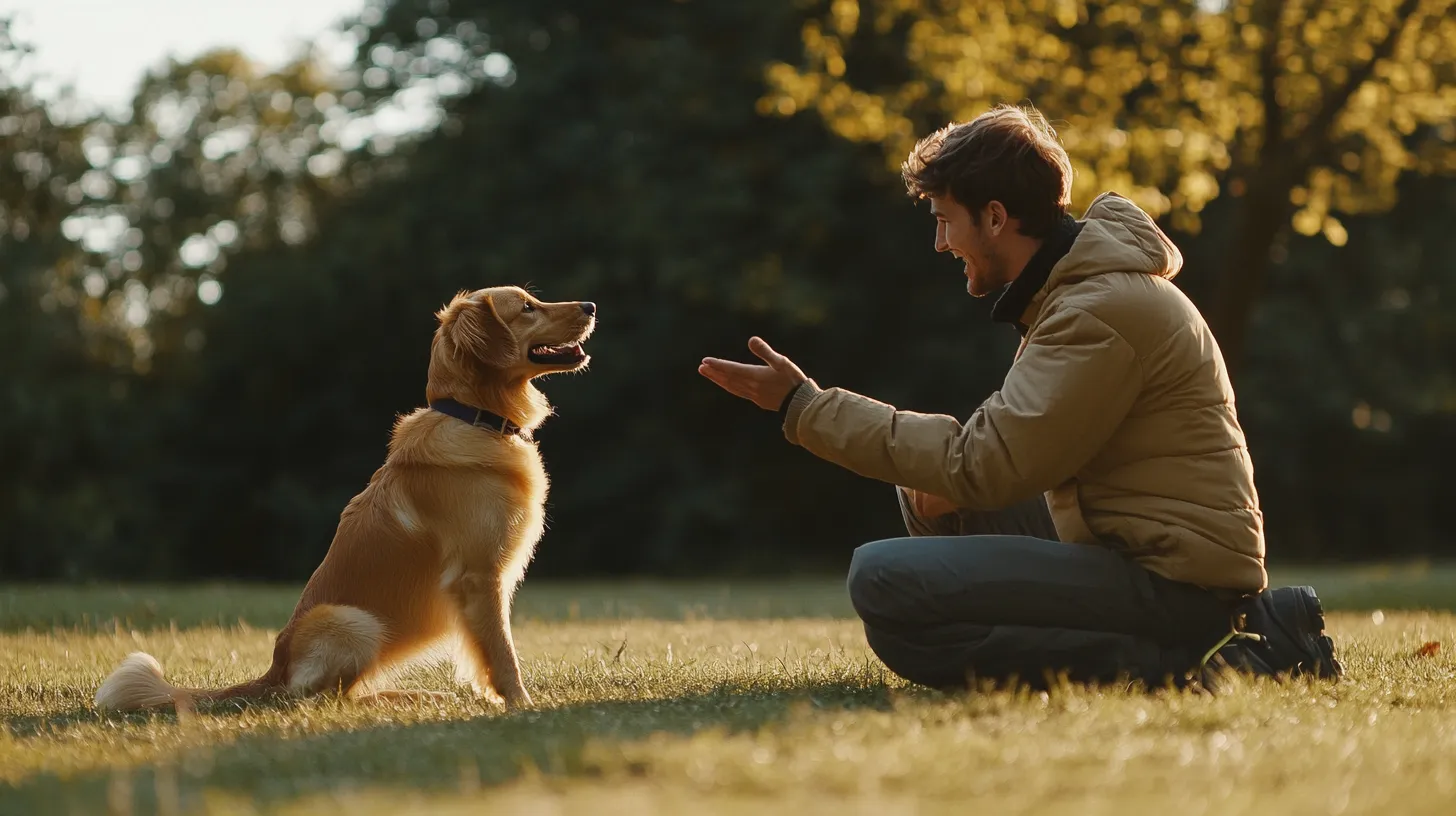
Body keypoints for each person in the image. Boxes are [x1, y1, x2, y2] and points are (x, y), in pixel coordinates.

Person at [698, 103, 1341, 692]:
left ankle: (1218, 652)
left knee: (884, 578)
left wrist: (804, 406)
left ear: (997, 217)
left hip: (1175, 581)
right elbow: (1004, 457)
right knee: (929, 510)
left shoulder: (1098, 309)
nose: (940, 243)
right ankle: (1218, 640)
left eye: (947, 221)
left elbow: (985, 462)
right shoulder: (1077, 295)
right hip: (1138, 552)